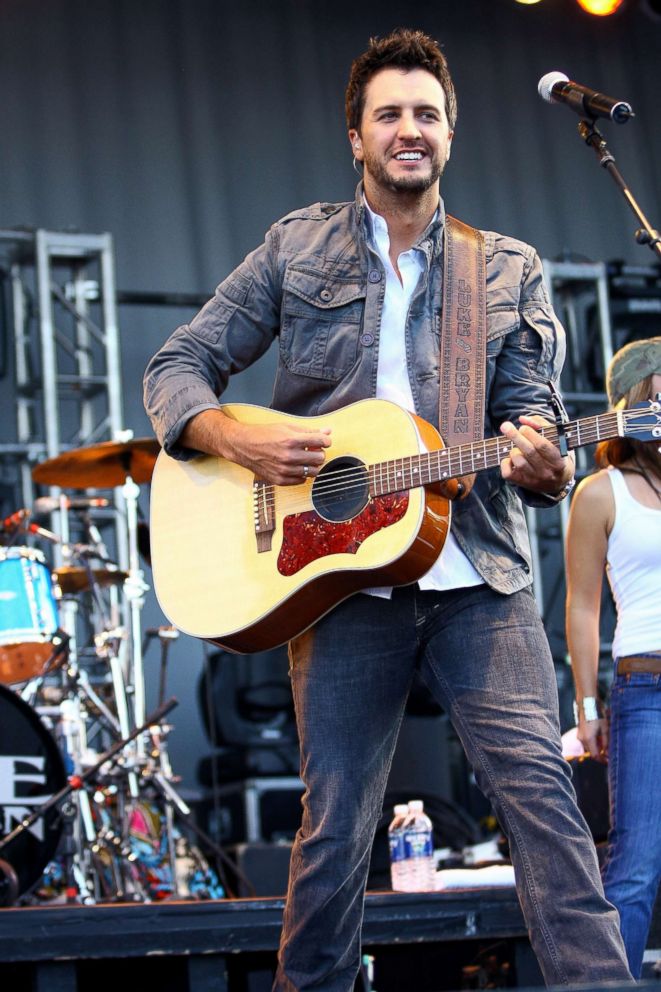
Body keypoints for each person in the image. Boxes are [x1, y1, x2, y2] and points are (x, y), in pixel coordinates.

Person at [144, 28, 632, 991]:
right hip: (332, 587)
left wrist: (537, 460)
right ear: (357, 138)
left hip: (477, 575)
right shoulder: (295, 246)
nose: (410, 131)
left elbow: (529, 419)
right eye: (390, 116)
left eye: (427, 116)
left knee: (544, 803)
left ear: (450, 134)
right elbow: (177, 366)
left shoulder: (505, 268)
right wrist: (236, 440)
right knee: (334, 825)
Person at [565, 336, 661, 979]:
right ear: (633, 405)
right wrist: (587, 706)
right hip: (646, 688)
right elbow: (581, 607)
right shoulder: (602, 493)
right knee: (637, 864)